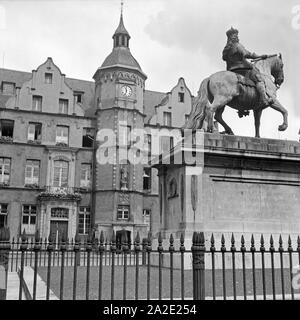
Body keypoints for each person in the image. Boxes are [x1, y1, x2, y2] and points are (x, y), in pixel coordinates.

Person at [222, 27, 273, 107]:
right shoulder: (237, 45)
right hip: (242, 68)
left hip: (231, 70)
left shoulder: (226, 48)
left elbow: (224, 58)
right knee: (259, 78)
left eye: (237, 35)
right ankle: (264, 99)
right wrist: (260, 56)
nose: (237, 37)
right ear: (233, 37)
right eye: (236, 35)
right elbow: (247, 54)